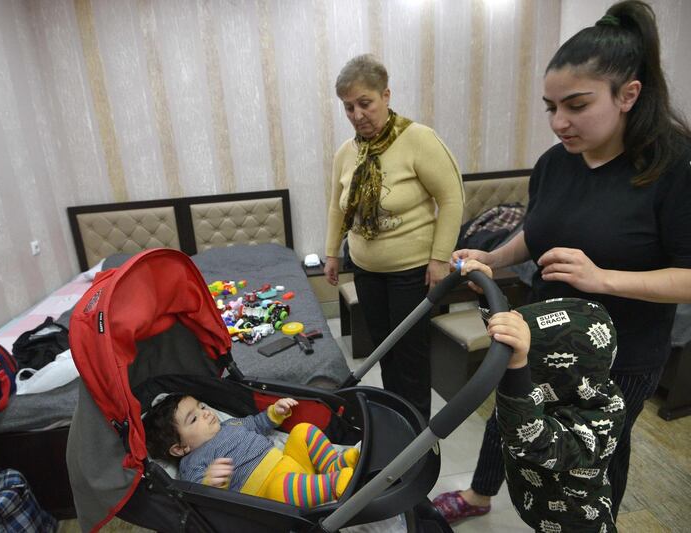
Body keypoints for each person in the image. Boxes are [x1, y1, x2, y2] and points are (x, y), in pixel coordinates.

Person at [432, 0, 691, 524]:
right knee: (510, 416)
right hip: (538, 332)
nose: (558, 122)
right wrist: (494, 256)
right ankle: (480, 494)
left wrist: (603, 279)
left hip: (618, 356)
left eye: (575, 105)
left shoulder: (683, 168)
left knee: (589, 457)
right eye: (550, 107)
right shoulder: (557, 162)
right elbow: (538, 230)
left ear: (628, 94)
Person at [434, 261, 626, 531]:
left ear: (559, 373)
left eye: (528, 363)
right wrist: (487, 295)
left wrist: (517, 364)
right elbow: (517, 337)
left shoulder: (601, 419)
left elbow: (531, 437)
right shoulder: (565, 385)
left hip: (577, 522)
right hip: (538, 505)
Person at [323, 53, 464, 420]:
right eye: (348, 107)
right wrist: (332, 254)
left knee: (410, 355)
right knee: (385, 350)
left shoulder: (418, 139)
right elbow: (338, 208)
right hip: (366, 268)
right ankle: (397, 419)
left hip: (412, 271)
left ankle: (418, 435)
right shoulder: (347, 152)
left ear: (386, 95)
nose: (357, 115)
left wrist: (439, 259)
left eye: (364, 103)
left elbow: (452, 199)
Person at [143, 394, 359, 508]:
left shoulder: (231, 425)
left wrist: (275, 413)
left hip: (290, 463)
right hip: (271, 492)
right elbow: (199, 496)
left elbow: (257, 423)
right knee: (279, 489)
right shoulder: (192, 463)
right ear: (181, 448)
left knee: (302, 431)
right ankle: (333, 485)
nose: (206, 413)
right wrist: (210, 483)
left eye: (201, 407)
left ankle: (332, 465)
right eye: (194, 418)